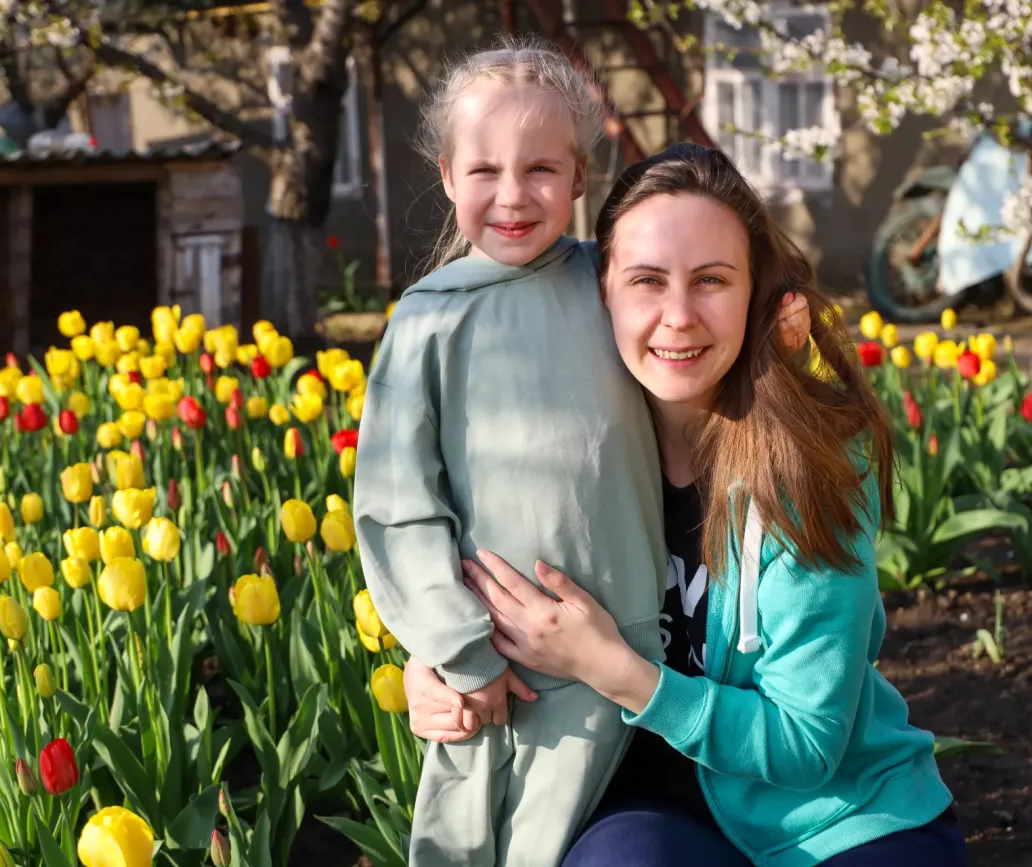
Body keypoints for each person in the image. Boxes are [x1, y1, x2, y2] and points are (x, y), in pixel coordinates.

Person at [403, 142, 966, 867]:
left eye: (711, 280)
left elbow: (807, 744)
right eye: (646, 279)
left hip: (831, 815)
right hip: (651, 806)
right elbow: (482, 574)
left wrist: (615, 669)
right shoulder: (559, 445)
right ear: (600, 289)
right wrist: (442, 663)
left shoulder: (813, 460)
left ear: (756, 292)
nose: (678, 316)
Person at [352, 37, 810, 867]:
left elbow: (701, 326)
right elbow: (397, 505)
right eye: (484, 170)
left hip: (642, 649)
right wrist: (449, 649)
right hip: (515, 659)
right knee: (495, 836)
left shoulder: (611, 282)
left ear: (579, 177)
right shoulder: (426, 323)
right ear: (448, 177)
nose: (513, 195)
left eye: (541, 170)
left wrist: (789, 336)